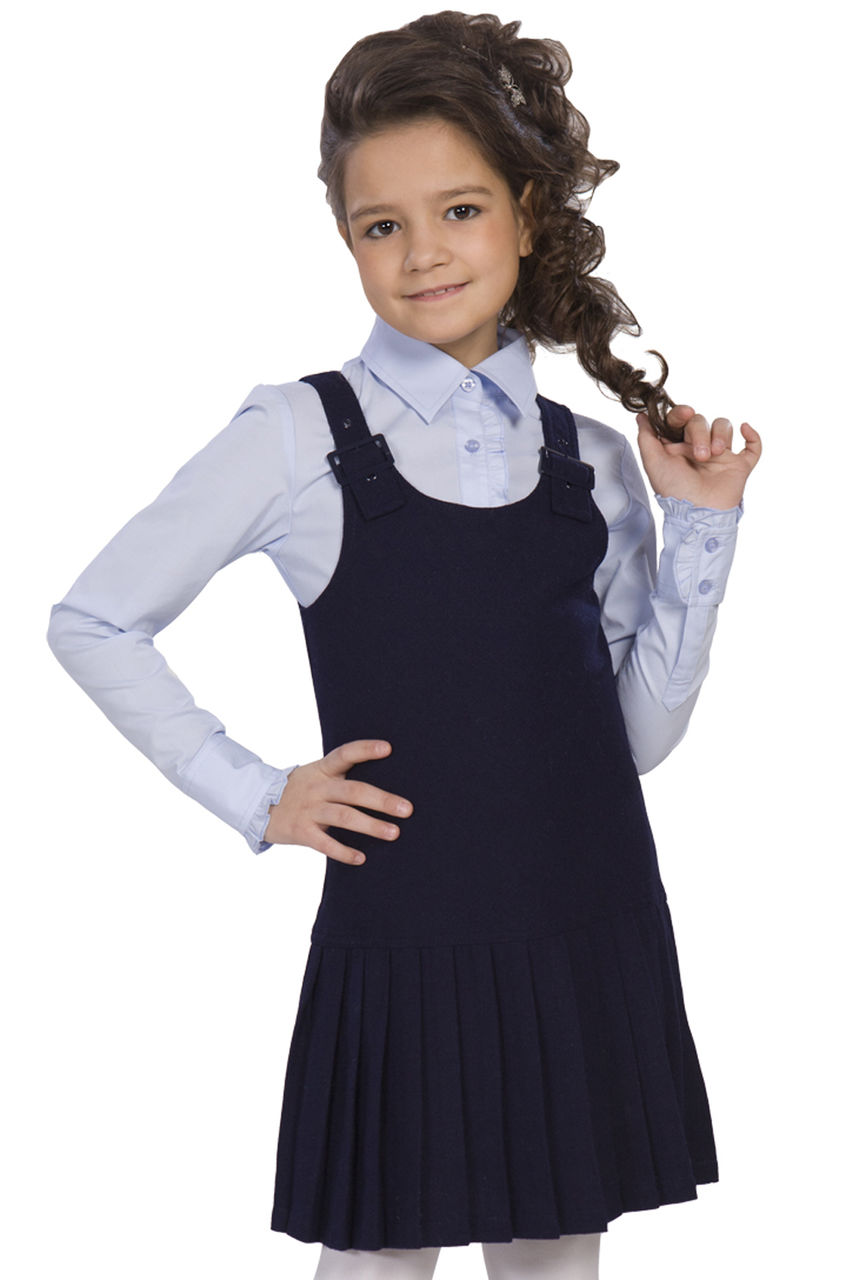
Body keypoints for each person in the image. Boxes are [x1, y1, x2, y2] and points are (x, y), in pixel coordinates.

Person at [46, 10, 762, 1279]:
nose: (423, 252)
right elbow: (94, 617)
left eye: (460, 210)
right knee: (380, 1255)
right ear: (346, 240)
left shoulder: (593, 462)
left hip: (582, 915)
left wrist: (700, 528)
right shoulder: (298, 437)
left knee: (556, 1254)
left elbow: (633, 741)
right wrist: (258, 792)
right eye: (382, 226)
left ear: (526, 216)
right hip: (405, 930)